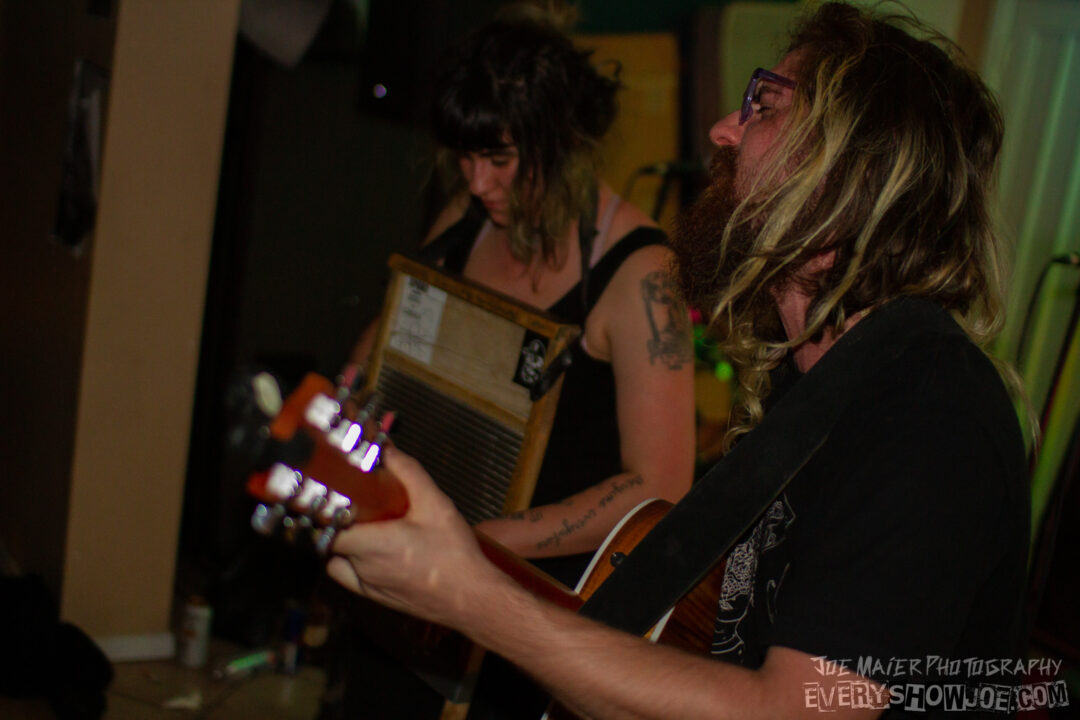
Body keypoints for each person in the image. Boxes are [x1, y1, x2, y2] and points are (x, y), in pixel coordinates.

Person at [328, 3, 1031, 718]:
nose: (723, 129)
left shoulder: (933, 416)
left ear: (849, 169)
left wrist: (470, 594)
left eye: (765, 106)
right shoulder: (808, 381)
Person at [348, 7, 695, 587]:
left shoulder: (642, 273)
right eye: (465, 157)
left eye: (498, 160)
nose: (477, 183)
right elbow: (389, 339)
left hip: (537, 594)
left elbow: (660, 486)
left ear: (563, 144)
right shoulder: (466, 218)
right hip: (425, 560)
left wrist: (480, 540)